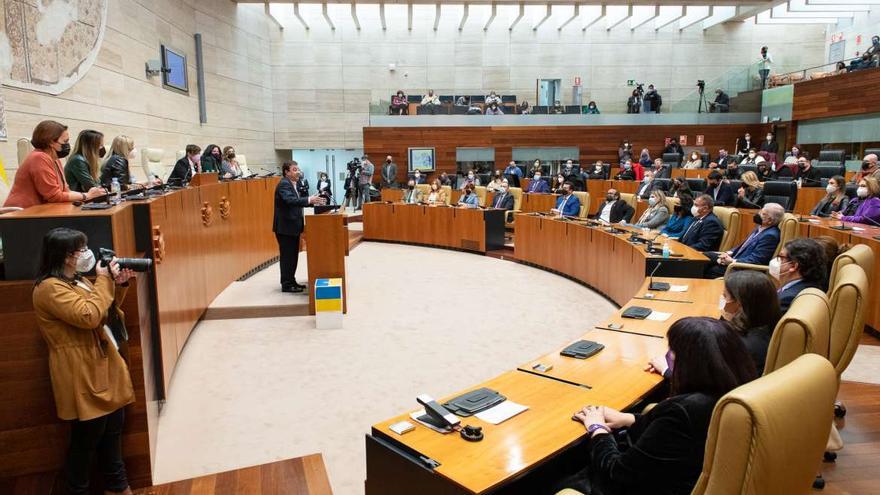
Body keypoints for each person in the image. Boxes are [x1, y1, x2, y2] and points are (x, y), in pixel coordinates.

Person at [564, 317, 756, 495]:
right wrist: (630, 419)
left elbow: (617, 473)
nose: (667, 356)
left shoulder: (682, 412)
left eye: (671, 350)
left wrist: (597, 429)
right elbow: (672, 439)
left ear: (689, 362)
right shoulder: (736, 390)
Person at [32, 227, 136, 495]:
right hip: (81, 372)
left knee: (113, 433)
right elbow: (88, 315)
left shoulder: (76, 280)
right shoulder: (49, 288)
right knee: (85, 442)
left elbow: (104, 312)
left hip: (103, 364)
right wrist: (103, 280)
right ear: (65, 256)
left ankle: (118, 487)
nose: (86, 254)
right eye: (80, 249)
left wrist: (118, 284)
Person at [5, 121, 105, 208]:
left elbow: (65, 190)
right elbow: (54, 196)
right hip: (20, 213)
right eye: (65, 141)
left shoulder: (55, 159)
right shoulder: (39, 157)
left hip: (41, 211)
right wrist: (86, 196)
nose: (67, 145)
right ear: (51, 142)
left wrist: (86, 195)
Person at [273, 161, 325, 293]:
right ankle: (286, 284)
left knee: (292, 256)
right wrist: (308, 200)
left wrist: (312, 202)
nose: (298, 171)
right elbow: (290, 201)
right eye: (294, 169)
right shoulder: (284, 184)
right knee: (288, 257)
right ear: (287, 172)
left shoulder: (293, 184)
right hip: (285, 228)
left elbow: (296, 203)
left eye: (298, 169)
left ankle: (291, 281)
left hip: (292, 227)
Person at [721, 270, 783, 374]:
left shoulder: (740, 346)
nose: (723, 300)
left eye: (725, 296)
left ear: (740, 304)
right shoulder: (765, 326)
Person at [704, 203, 784, 278]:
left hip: (744, 269)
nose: (758, 214)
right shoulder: (760, 227)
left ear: (770, 221)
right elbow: (742, 246)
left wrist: (732, 261)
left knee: (710, 270)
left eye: (762, 214)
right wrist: (728, 253)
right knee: (705, 257)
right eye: (760, 211)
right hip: (736, 260)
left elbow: (757, 260)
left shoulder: (770, 236)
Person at [772, 238, 828, 311]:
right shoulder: (813, 286)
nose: (776, 260)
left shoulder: (787, 299)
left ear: (793, 266)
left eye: (781, 257)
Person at [64, 129, 106, 194]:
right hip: (76, 200)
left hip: (84, 197)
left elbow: (97, 184)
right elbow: (91, 187)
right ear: (91, 147)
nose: (102, 148)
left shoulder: (86, 159)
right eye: (100, 145)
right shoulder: (78, 160)